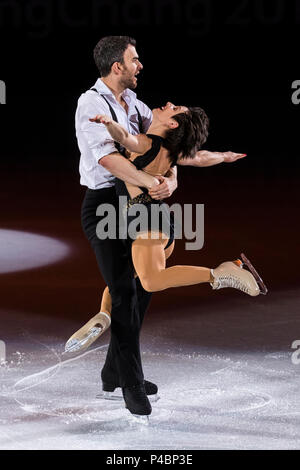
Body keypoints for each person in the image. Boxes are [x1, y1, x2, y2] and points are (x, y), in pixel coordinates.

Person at [72, 36, 254, 418]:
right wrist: (149, 181)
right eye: (135, 60)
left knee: (138, 291)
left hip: (140, 206)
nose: (141, 65)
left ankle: (113, 371)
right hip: (108, 203)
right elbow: (110, 159)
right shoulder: (91, 103)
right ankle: (129, 384)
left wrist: (171, 180)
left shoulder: (137, 106)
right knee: (128, 291)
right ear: (116, 66)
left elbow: (168, 150)